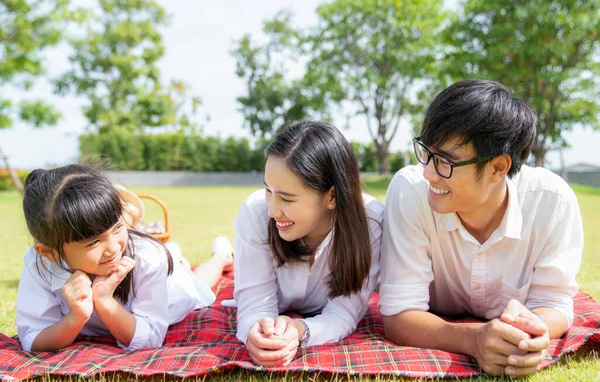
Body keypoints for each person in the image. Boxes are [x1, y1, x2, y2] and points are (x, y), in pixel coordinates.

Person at [379, 79, 584, 377]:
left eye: (445, 161)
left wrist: (530, 330)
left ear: (498, 168)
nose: (428, 173)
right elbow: (398, 317)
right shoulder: (410, 190)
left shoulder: (551, 202)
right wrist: (474, 339)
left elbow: (553, 303)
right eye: (426, 152)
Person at [16, 164, 232, 352]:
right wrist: (76, 318)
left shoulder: (147, 257)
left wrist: (104, 301)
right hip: (149, 269)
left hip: (167, 290)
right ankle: (177, 257)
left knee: (198, 284)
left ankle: (220, 255)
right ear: (50, 252)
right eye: (93, 242)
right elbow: (33, 338)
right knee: (176, 262)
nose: (112, 249)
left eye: (118, 227)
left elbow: (150, 339)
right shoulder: (40, 263)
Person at [229, 121, 384, 367]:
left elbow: (345, 311)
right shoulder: (255, 212)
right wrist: (257, 332)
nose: (272, 210)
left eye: (286, 199)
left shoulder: (371, 222)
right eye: (268, 190)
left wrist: (302, 331)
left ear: (331, 196)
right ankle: (221, 254)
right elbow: (255, 304)